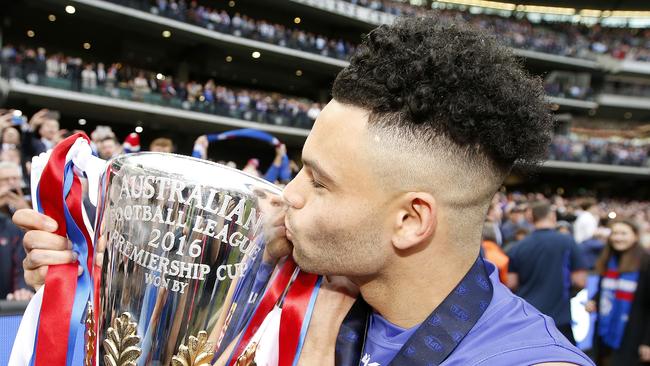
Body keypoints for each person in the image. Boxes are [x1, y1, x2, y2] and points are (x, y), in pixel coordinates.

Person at [14, 15, 594, 365]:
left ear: (411, 221)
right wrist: (87, 292)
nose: (286, 195)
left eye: (320, 182)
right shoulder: (289, 280)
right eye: (299, 170)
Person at [507, 201, 588, 345]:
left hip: (528, 317)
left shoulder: (518, 247)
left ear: (531, 218)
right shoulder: (567, 242)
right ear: (552, 216)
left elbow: (511, 283)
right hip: (559, 318)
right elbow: (580, 281)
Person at [585, 220, 650, 365]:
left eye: (623, 233)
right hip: (605, 332)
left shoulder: (645, 262)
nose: (618, 237)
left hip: (633, 335)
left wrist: (648, 342)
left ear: (635, 236)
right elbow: (604, 290)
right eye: (614, 233)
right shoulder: (608, 260)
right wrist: (594, 301)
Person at [0, 162, 32, 301]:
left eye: (15, 179)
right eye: (6, 179)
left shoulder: (28, 204)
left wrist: (24, 209)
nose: (11, 184)